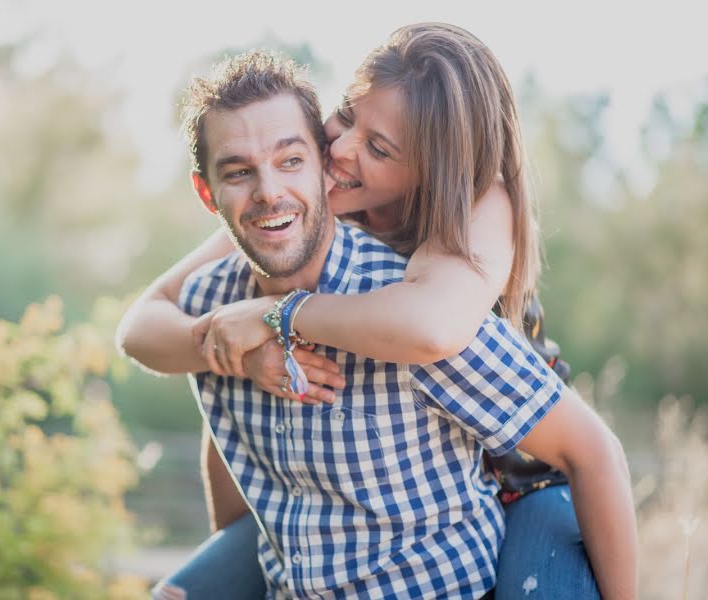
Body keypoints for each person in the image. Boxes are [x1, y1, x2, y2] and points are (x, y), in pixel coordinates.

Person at [122, 45, 637, 599]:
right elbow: (149, 333)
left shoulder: (458, 243)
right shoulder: (259, 233)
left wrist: (281, 316)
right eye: (345, 117)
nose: (342, 148)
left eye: (378, 147)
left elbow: (432, 329)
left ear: (428, 171)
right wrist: (240, 354)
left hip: (527, 470)